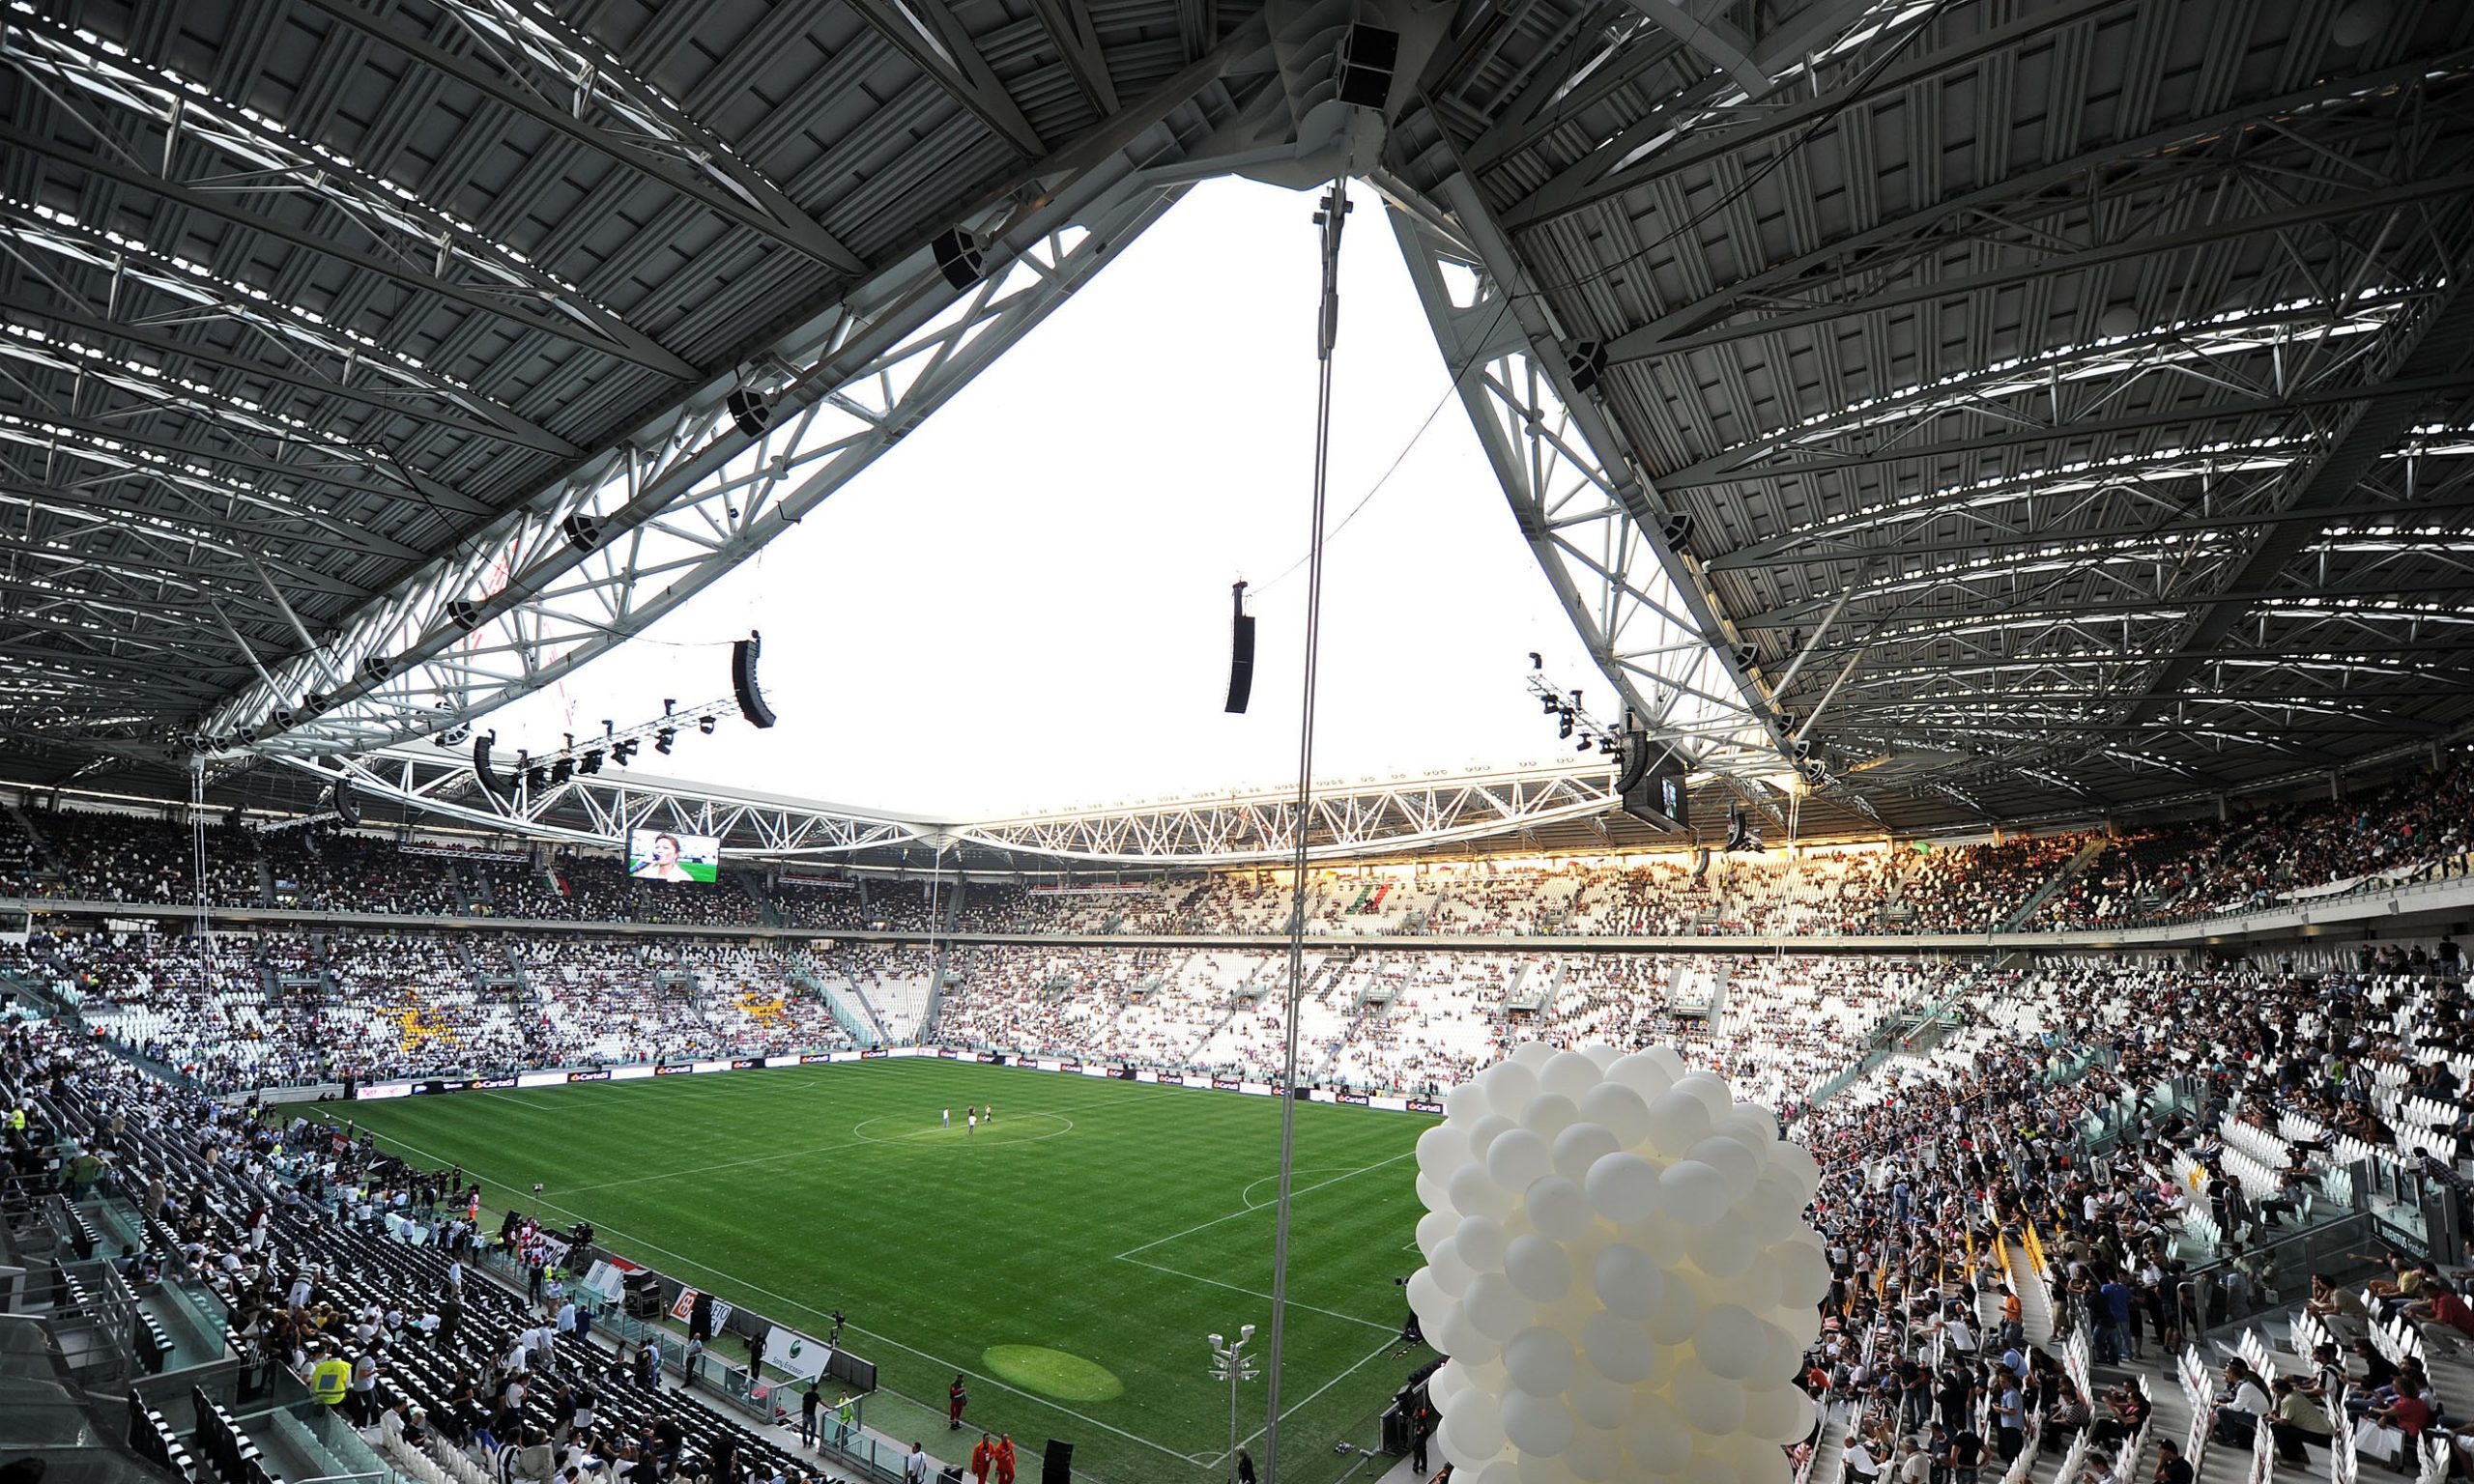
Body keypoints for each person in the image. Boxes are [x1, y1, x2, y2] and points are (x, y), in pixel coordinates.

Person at [632, 833, 696, 883]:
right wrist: (638, 874)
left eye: (666, 848)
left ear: (676, 854)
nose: (659, 850)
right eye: (657, 847)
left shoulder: (685, 878)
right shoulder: (646, 872)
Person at [799, 1382, 820, 1448]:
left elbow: (803, 1403)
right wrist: (829, 1407)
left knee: (804, 1429)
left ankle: (804, 1442)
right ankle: (810, 1443)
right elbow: (821, 1402)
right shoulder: (816, 1395)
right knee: (813, 1429)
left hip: (805, 1414)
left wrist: (803, 1412)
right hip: (811, 1415)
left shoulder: (806, 1394)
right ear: (816, 1388)